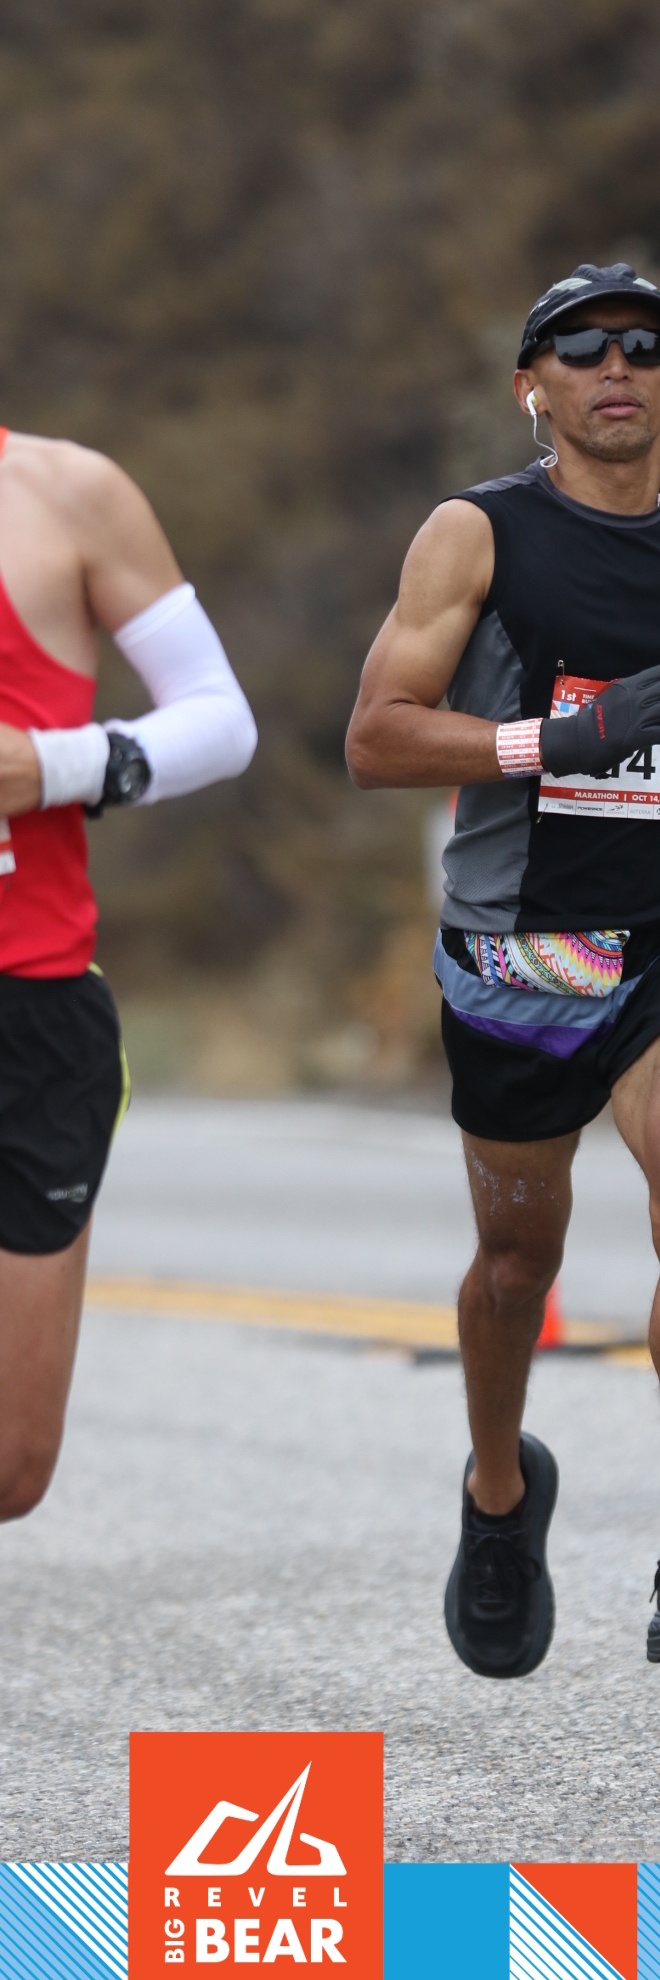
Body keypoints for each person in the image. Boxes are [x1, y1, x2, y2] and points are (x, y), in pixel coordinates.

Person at [346, 262, 660, 1677]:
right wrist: (554, 743)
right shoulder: (476, 536)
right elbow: (377, 735)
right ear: (533, 388)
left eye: (645, 344)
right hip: (514, 955)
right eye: (579, 347)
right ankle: (500, 1490)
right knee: (519, 1263)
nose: (613, 366)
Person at [0, 427, 257, 1520]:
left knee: (13, 1468)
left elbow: (222, 721)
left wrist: (54, 764)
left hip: (33, 1008)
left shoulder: (63, 494)